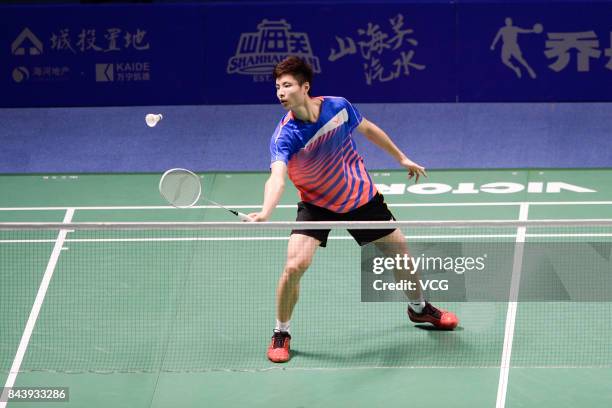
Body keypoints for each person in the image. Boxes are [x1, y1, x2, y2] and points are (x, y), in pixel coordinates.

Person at [247, 56, 458, 363]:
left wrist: (401, 158)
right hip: (316, 204)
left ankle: (419, 309)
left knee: (400, 253)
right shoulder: (284, 135)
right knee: (294, 266)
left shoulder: (337, 106)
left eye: (287, 85)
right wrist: (266, 211)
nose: (280, 92)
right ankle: (281, 332)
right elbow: (277, 177)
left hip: (358, 196)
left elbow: (368, 129)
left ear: (305, 87)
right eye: (277, 87)